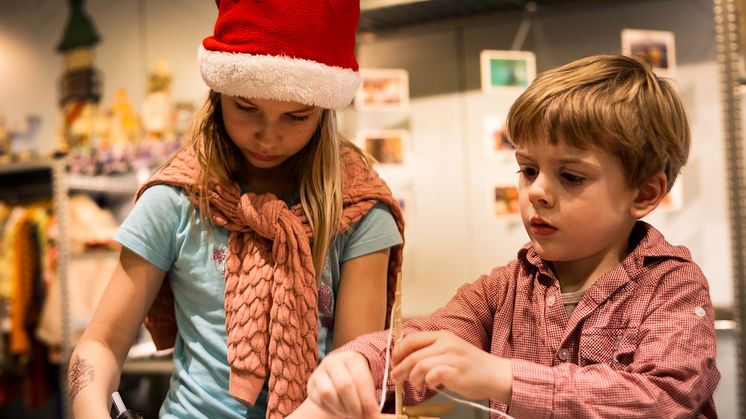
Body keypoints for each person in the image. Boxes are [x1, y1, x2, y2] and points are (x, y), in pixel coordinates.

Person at [305, 54, 720, 418]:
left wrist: (504, 377)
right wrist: (358, 364)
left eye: (571, 176)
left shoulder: (672, 286)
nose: (536, 191)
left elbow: (661, 398)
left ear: (645, 192)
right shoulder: (504, 289)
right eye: (528, 169)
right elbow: (425, 339)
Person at [67, 1, 404, 418]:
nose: (268, 136)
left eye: (297, 117)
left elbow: (356, 374)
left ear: (325, 110)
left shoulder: (361, 211)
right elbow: (98, 345)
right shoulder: (176, 198)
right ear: (218, 91)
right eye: (246, 108)